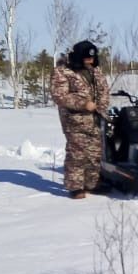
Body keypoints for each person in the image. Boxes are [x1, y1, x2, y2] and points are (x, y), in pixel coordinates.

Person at [51, 40, 111, 199]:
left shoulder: (94, 70)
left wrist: (102, 105)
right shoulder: (63, 72)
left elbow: (103, 89)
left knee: (94, 153)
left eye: (92, 58)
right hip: (74, 120)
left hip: (95, 118)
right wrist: (84, 104)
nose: (90, 60)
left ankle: (92, 183)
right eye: (87, 58)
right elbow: (60, 96)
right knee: (77, 153)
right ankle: (76, 187)